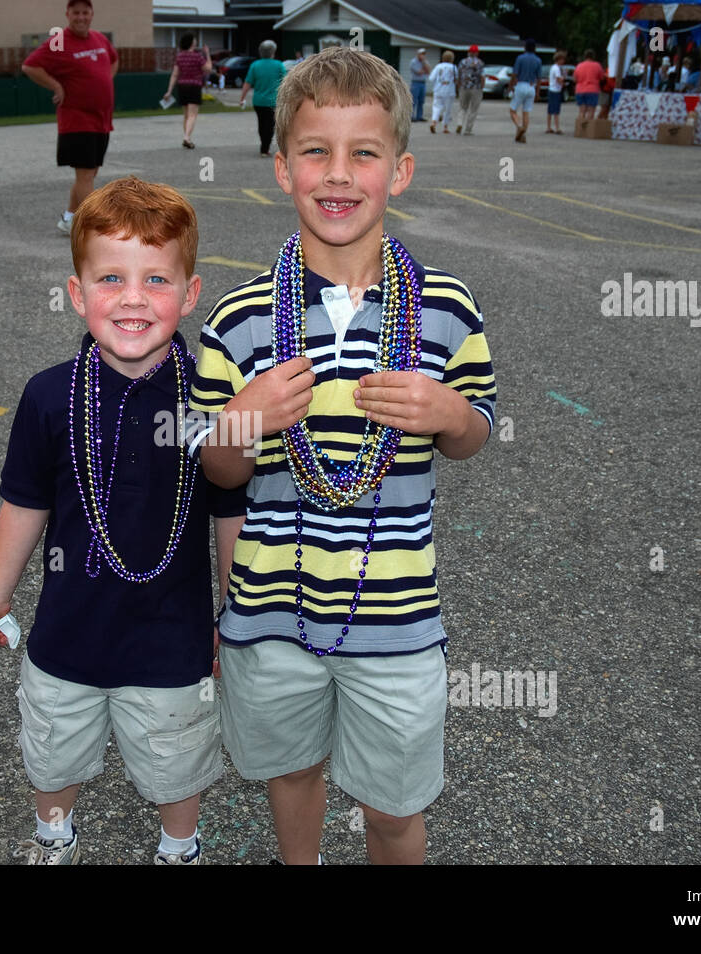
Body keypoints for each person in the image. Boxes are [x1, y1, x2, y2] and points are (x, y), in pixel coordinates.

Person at [189, 47, 496, 865]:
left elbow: (474, 433)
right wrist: (242, 423)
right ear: (282, 166)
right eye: (315, 151)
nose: (337, 174)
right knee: (292, 773)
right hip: (271, 614)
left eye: (364, 153)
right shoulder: (240, 316)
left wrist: (449, 411)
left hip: (396, 615)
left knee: (393, 809)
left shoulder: (445, 306)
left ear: (400, 171)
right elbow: (219, 473)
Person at [0, 176, 243, 865]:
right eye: (111, 278)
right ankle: (53, 834)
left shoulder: (213, 400)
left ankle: (179, 845)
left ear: (191, 293)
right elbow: (24, 502)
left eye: (156, 279)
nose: (133, 298)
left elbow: (231, 514)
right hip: (68, 633)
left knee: (179, 756)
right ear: (77, 292)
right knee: (53, 750)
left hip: (173, 639)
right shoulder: (48, 395)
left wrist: (234, 614)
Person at [22, 0, 119, 235]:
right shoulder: (59, 41)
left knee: (90, 172)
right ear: (68, 14)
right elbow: (30, 66)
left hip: (101, 119)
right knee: (85, 174)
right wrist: (56, 86)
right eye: (76, 13)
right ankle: (93, 228)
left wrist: (103, 80)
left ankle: (69, 218)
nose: (81, 17)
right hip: (77, 119)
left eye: (85, 12)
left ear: (92, 14)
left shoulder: (99, 39)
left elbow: (114, 60)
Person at [240, 39, 287, 157]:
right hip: (273, 101)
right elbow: (286, 82)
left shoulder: (255, 65)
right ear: (273, 52)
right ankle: (265, 148)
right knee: (270, 125)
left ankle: (264, 146)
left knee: (261, 124)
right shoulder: (278, 65)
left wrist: (242, 98)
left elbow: (247, 83)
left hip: (258, 101)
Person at [166, 33, 212, 149]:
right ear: (192, 42)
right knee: (192, 115)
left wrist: (169, 91)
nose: (196, 41)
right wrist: (207, 54)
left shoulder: (180, 56)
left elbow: (175, 74)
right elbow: (208, 69)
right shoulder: (197, 56)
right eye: (194, 40)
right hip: (194, 86)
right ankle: (186, 137)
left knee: (186, 115)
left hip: (182, 86)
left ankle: (187, 137)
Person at [508, 38, 541, 142]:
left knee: (513, 110)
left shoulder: (520, 58)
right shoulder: (538, 60)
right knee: (526, 112)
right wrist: (538, 92)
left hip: (521, 84)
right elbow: (539, 78)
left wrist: (510, 86)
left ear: (525, 47)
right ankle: (523, 134)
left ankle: (519, 126)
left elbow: (515, 74)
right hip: (531, 86)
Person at [456, 44, 485, 135]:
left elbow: (459, 74)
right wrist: (482, 87)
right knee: (473, 109)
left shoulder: (462, 62)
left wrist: (459, 85)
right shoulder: (480, 63)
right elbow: (482, 76)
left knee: (462, 107)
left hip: (464, 87)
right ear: (477, 53)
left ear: (469, 52)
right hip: (476, 88)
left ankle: (460, 123)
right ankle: (468, 129)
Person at [428, 51, 457, 134]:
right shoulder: (453, 67)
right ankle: (445, 126)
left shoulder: (438, 66)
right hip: (449, 91)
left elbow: (431, 78)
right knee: (447, 109)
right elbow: (456, 79)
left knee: (436, 107)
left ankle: (434, 122)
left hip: (438, 90)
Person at [573, 48, 605, 125]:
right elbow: (602, 78)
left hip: (580, 90)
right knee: (591, 111)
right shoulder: (597, 66)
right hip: (592, 90)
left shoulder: (579, 66)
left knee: (582, 111)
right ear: (593, 56)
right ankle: (588, 128)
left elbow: (575, 79)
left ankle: (581, 128)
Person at [546, 50, 567, 133]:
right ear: (559, 59)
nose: (563, 61)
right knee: (556, 110)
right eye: (562, 59)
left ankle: (549, 127)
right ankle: (557, 127)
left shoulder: (553, 67)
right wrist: (563, 81)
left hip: (551, 89)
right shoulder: (557, 68)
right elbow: (559, 79)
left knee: (550, 109)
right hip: (555, 90)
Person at [408, 48, 429, 122]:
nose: (423, 56)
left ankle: (419, 116)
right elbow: (419, 72)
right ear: (418, 54)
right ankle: (411, 116)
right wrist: (424, 70)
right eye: (421, 54)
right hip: (415, 83)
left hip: (423, 83)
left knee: (421, 101)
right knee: (414, 100)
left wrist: (424, 64)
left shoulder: (425, 62)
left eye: (424, 54)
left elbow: (428, 71)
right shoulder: (413, 62)